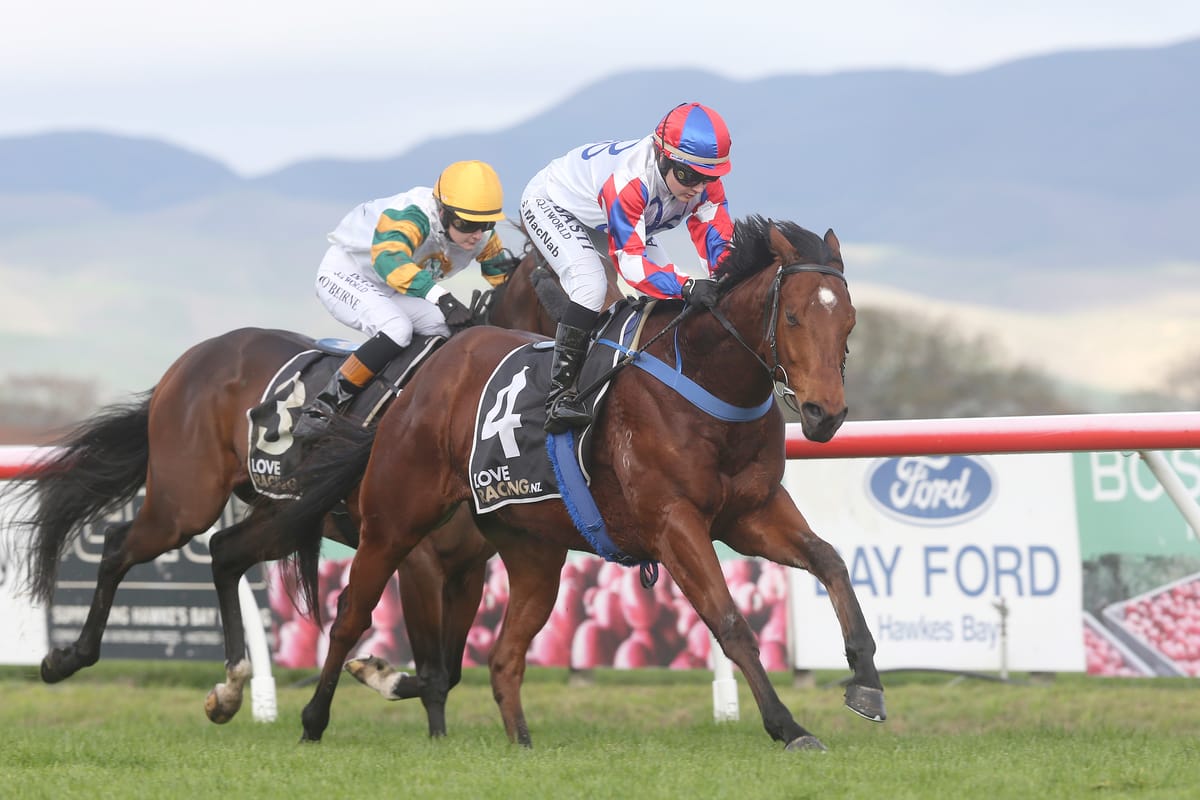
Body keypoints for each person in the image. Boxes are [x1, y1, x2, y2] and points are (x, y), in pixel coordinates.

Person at [520, 101, 735, 433]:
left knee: (674, 296)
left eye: (708, 178)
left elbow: (718, 245)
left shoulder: (702, 182)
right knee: (591, 286)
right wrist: (687, 286)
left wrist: (728, 280)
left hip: (613, 216)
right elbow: (631, 265)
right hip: (555, 204)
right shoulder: (631, 180)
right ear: (663, 156)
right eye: (687, 175)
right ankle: (560, 395)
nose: (696, 187)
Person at [292, 160, 513, 441]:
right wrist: (442, 298)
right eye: (467, 224)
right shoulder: (411, 215)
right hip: (348, 273)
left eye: (486, 224)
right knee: (397, 328)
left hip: (399, 286)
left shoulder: (482, 236)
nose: (477, 234)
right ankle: (324, 405)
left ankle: (409, 396)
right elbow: (389, 261)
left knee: (444, 329)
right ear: (442, 212)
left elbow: (504, 277)